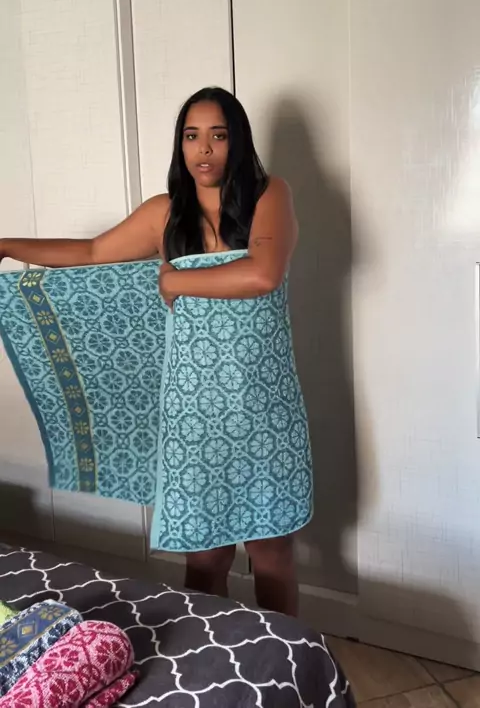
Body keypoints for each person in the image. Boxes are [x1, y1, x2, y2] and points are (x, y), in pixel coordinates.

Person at [0, 87, 303, 616]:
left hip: (264, 407)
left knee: (271, 553)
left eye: (218, 135)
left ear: (238, 141)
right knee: (205, 558)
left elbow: (262, 274)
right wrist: (5, 245)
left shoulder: (268, 195)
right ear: (180, 145)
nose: (203, 149)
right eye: (191, 136)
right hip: (193, 412)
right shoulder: (164, 213)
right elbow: (92, 251)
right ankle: (210, 657)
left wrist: (176, 281)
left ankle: (285, 659)